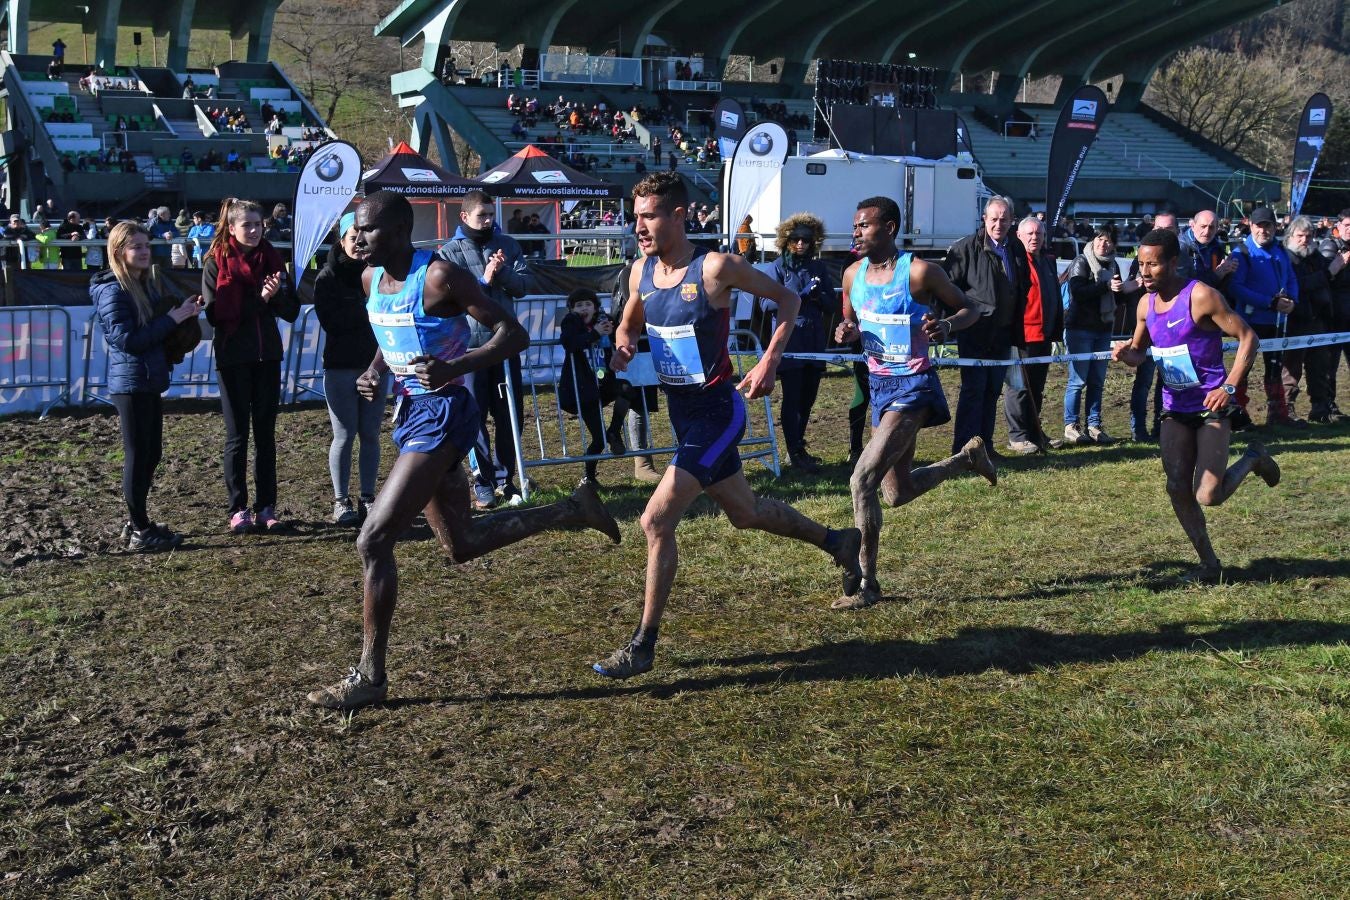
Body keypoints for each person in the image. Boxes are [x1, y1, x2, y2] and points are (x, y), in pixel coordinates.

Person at [306, 191, 621, 710]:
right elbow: (390, 333)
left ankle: (369, 676)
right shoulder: (369, 280)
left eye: (368, 229)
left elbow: (512, 334)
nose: (357, 238)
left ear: (400, 231)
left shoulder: (440, 276)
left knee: (373, 539)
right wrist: (375, 370)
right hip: (413, 414)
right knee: (461, 545)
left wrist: (457, 366)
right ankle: (573, 509)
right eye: (355, 229)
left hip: (446, 412)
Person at [592, 172, 863, 679]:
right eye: (635, 217)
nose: (639, 227)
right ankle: (837, 542)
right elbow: (629, 323)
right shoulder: (640, 272)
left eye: (649, 216)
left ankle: (643, 645)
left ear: (678, 216)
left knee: (655, 521)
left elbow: (789, 301)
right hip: (683, 415)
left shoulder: (715, 267)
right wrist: (623, 346)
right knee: (746, 512)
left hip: (718, 412)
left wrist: (768, 361)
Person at [834, 196, 994, 609]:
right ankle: (966, 460)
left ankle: (867, 584)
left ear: (889, 228)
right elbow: (850, 320)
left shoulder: (920, 272)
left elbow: (971, 308)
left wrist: (947, 325)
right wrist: (847, 330)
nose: (856, 232)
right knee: (896, 492)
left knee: (861, 480)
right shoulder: (852, 274)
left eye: (864, 225)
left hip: (913, 387)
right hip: (879, 387)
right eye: (855, 225)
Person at [1112, 229, 1279, 582]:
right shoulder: (1144, 305)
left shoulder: (1201, 296)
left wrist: (1229, 387)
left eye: (1153, 265)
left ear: (1173, 262)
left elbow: (1248, 338)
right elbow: (1139, 354)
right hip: (1174, 405)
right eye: (1140, 264)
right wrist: (1126, 354)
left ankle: (1253, 458)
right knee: (1176, 486)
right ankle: (1209, 564)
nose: (1144, 272)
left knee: (1208, 494)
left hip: (1211, 404)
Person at [91, 222, 202, 552]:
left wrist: (182, 317)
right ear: (118, 251)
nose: (143, 252)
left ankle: (138, 521)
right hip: (130, 383)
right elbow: (127, 340)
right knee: (138, 455)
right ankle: (140, 528)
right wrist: (173, 319)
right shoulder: (113, 290)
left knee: (151, 453)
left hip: (146, 379)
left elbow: (152, 332)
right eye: (135, 246)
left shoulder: (143, 285)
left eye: (146, 245)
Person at [201, 198, 299, 534]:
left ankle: (266, 507)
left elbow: (291, 311)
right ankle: (237, 508)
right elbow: (217, 315)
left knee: (266, 436)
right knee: (237, 436)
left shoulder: (273, 260)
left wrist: (277, 296)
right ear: (232, 228)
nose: (255, 231)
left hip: (267, 356)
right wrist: (262, 300)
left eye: (259, 224)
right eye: (248, 225)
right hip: (233, 359)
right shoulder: (216, 262)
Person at [436, 189, 532, 507]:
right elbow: (448, 299)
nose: (489, 220)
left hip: (505, 346)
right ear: (465, 216)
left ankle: (507, 480)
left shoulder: (508, 246)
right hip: (470, 350)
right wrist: (484, 279)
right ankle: (483, 480)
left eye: (491, 214)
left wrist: (502, 272)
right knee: (474, 418)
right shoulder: (449, 253)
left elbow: (523, 286)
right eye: (482, 215)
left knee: (509, 415)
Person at [314, 212, 387, 526]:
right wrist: (367, 310)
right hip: (341, 367)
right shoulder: (327, 277)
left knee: (370, 433)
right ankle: (340, 500)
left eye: (364, 237)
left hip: (376, 365)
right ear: (341, 240)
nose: (359, 243)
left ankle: (368, 497)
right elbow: (333, 323)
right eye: (353, 237)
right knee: (343, 435)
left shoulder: (381, 273)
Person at [942, 196, 1030, 457]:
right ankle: (964, 451)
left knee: (993, 391)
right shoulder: (965, 248)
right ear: (984, 219)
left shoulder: (1016, 248)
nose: (998, 224)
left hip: (1004, 332)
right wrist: (956, 320)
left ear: (1012, 221)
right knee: (974, 390)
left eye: (1004, 219)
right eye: (994, 219)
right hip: (975, 332)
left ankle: (985, 447)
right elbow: (947, 288)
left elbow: (1022, 285)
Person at [756, 213, 835, 473]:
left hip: (813, 340)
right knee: (792, 397)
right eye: (796, 239)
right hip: (789, 341)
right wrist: (797, 297)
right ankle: (793, 449)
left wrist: (818, 296)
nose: (801, 244)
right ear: (786, 240)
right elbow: (766, 304)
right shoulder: (777, 267)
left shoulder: (818, 268)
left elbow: (831, 305)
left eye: (806, 240)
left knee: (808, 398)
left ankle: (799, 446)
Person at [1227, 206, 1300, 428]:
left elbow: (1291, 279)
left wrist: (1292, 301)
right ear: (1250, 226)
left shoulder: (1280, 250)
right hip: (1250, 323)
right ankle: (1237, 414)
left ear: (1275, 227)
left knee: (1275, 369)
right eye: (1259, 226)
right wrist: (1269, 302)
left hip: (1277, 322)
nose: (1263, 230)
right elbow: (1236, 288)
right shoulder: (1242, 253)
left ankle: (1278, 414)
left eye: (1267, 225)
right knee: (1243, 369)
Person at [558, 288, 629, 485]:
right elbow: (570, 343)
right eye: (579, 305)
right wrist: (595, 333)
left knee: (625, 388)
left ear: (596, 307)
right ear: (572, 309)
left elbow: (619, 338)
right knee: (598, 439)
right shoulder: (570, 322)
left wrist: (613, 335)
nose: (584, 309)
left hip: (603, 383)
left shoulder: (604, 321)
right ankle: (589, 477)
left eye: (588, 304)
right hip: (582, 391)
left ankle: (614, 431)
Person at [1004, 216, 1062, 454]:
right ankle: (1017, 436)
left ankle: (1035, 432)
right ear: (1019, 236)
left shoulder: (1047, 262)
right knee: (1018, 388)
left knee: (1036, 388)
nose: (1034, 238)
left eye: (1038, 233)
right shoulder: (1014, 261)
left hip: (1044, 335)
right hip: (1022, 336)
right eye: (1029, 234)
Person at [1061, 224, 1122, 445]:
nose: (1102, 244)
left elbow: (1116, 297)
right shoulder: (1081, 261)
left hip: (1103, 329)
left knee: (1097, 381)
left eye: (1107, 240)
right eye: (1099, 239)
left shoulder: (1113, 264)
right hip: (1080, 328)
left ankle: (1094, 425)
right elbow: (1078, 291)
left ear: (1113, 244)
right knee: (1077, 381)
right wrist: (1105, 286)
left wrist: (1124, 289)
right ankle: (1071, 425)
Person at [1281, 217, 1335, 424]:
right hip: (1295, 320)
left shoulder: (1315, 257)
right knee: (1291, 368)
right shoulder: (1285, 258)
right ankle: (1286, 407)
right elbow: (1297, 285)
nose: (1305, 240)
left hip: (1318, 318)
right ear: (1290, 236)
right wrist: (1328, 273)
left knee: (1319, 366)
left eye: (1309, 236)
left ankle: (1319, 407)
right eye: (1300, 236)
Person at [1317, 208, 1350, 423]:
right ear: (1337, 226)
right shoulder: (1329, 247)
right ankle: (1328, 405)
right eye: (1347, 225)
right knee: (1330, 365)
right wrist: (1335, 267)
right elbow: (1322, 279)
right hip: (1334, 316)